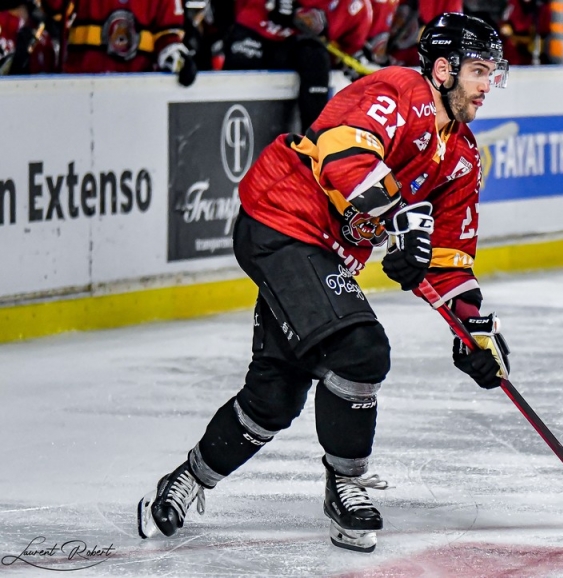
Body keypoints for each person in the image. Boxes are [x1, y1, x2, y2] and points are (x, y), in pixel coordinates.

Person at [136, 12, 511, 553]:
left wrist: (471, 329)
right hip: (282, 220)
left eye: (492, 75)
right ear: (443, 69)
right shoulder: (397, 91)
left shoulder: (463, 158)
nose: (486, 86)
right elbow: (341, 150)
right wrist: (399, 220)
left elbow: (447, 260)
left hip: (326, 254)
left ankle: (188, 478)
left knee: (275, 395)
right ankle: (346, 484)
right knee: (362, 350)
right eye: (478, 71)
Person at [224, 0, 371, 133]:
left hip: (295, 48)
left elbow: (349, 49)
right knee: (238, 69)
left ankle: (313, 140)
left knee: (315, 58)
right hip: (255, 33)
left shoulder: (358, 8)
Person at [42, 0, 197, 85]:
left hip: (137, 91)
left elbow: (168, 36)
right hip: (81, 86)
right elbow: (55, 7)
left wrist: (178, 59)